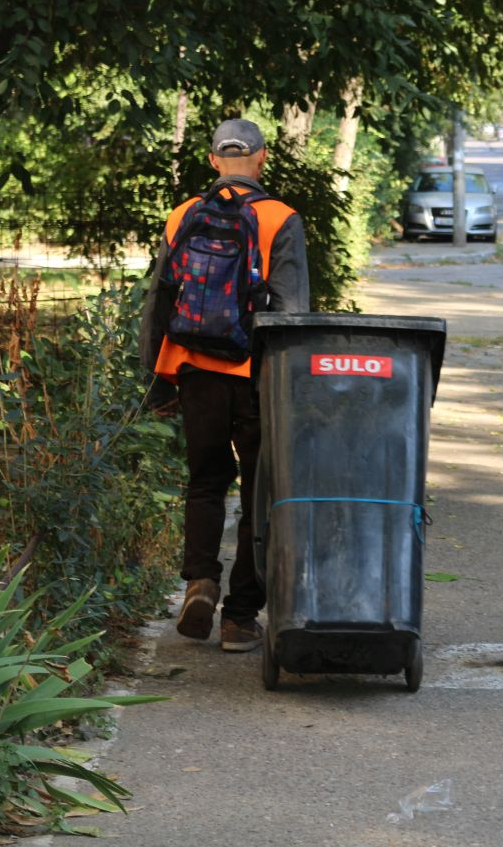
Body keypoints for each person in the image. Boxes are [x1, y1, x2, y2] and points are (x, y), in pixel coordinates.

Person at [141, 118, 310, 652]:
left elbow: (158, 304)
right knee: (263, 495)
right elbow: (291, 312)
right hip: (256, 373)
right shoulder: (280, 218)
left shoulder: (183, 215)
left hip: (194, 370)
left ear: (213, 160)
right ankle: (240, 618)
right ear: (262, 158)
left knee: (206, 481)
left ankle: (199, 583)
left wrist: (157, 382)